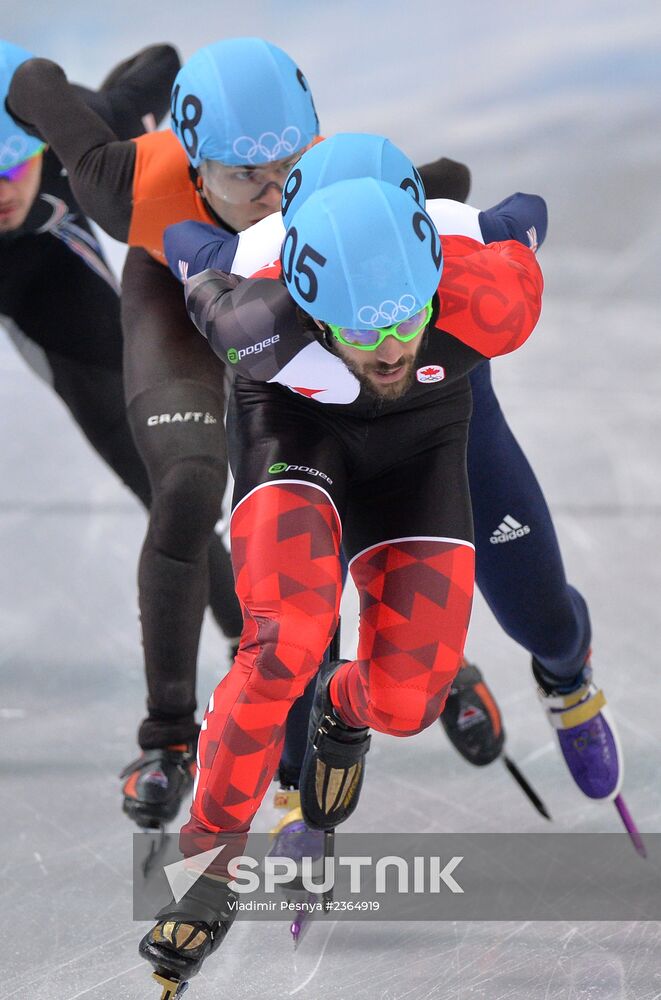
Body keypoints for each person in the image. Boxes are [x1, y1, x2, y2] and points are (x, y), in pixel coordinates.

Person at [6, 39, 475, 830]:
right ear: (191, 161)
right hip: (178, 293)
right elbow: (31, 80)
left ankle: (379, 671)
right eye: (241, 175)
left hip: (277, 312)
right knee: (187, 486)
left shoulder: (330, 181)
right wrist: (123, 98)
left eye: (286, 169)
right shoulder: (122, 181)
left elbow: (448, 183)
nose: (269, 195)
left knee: (325, 502)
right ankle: (168, 738)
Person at [138, 165, 544, 992]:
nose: (391, 346)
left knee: (406, 699)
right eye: (362, 330)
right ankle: (209, 862)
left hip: (421, 444)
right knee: (280, 642)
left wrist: (482, 221)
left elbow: (526, 217)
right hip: (292, 423)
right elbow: (184, 249)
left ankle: (341, 705)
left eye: (404, 318)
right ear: (314, 311)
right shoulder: (256, 316)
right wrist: (236, 245)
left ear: (433, 283)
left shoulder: (492, 299)